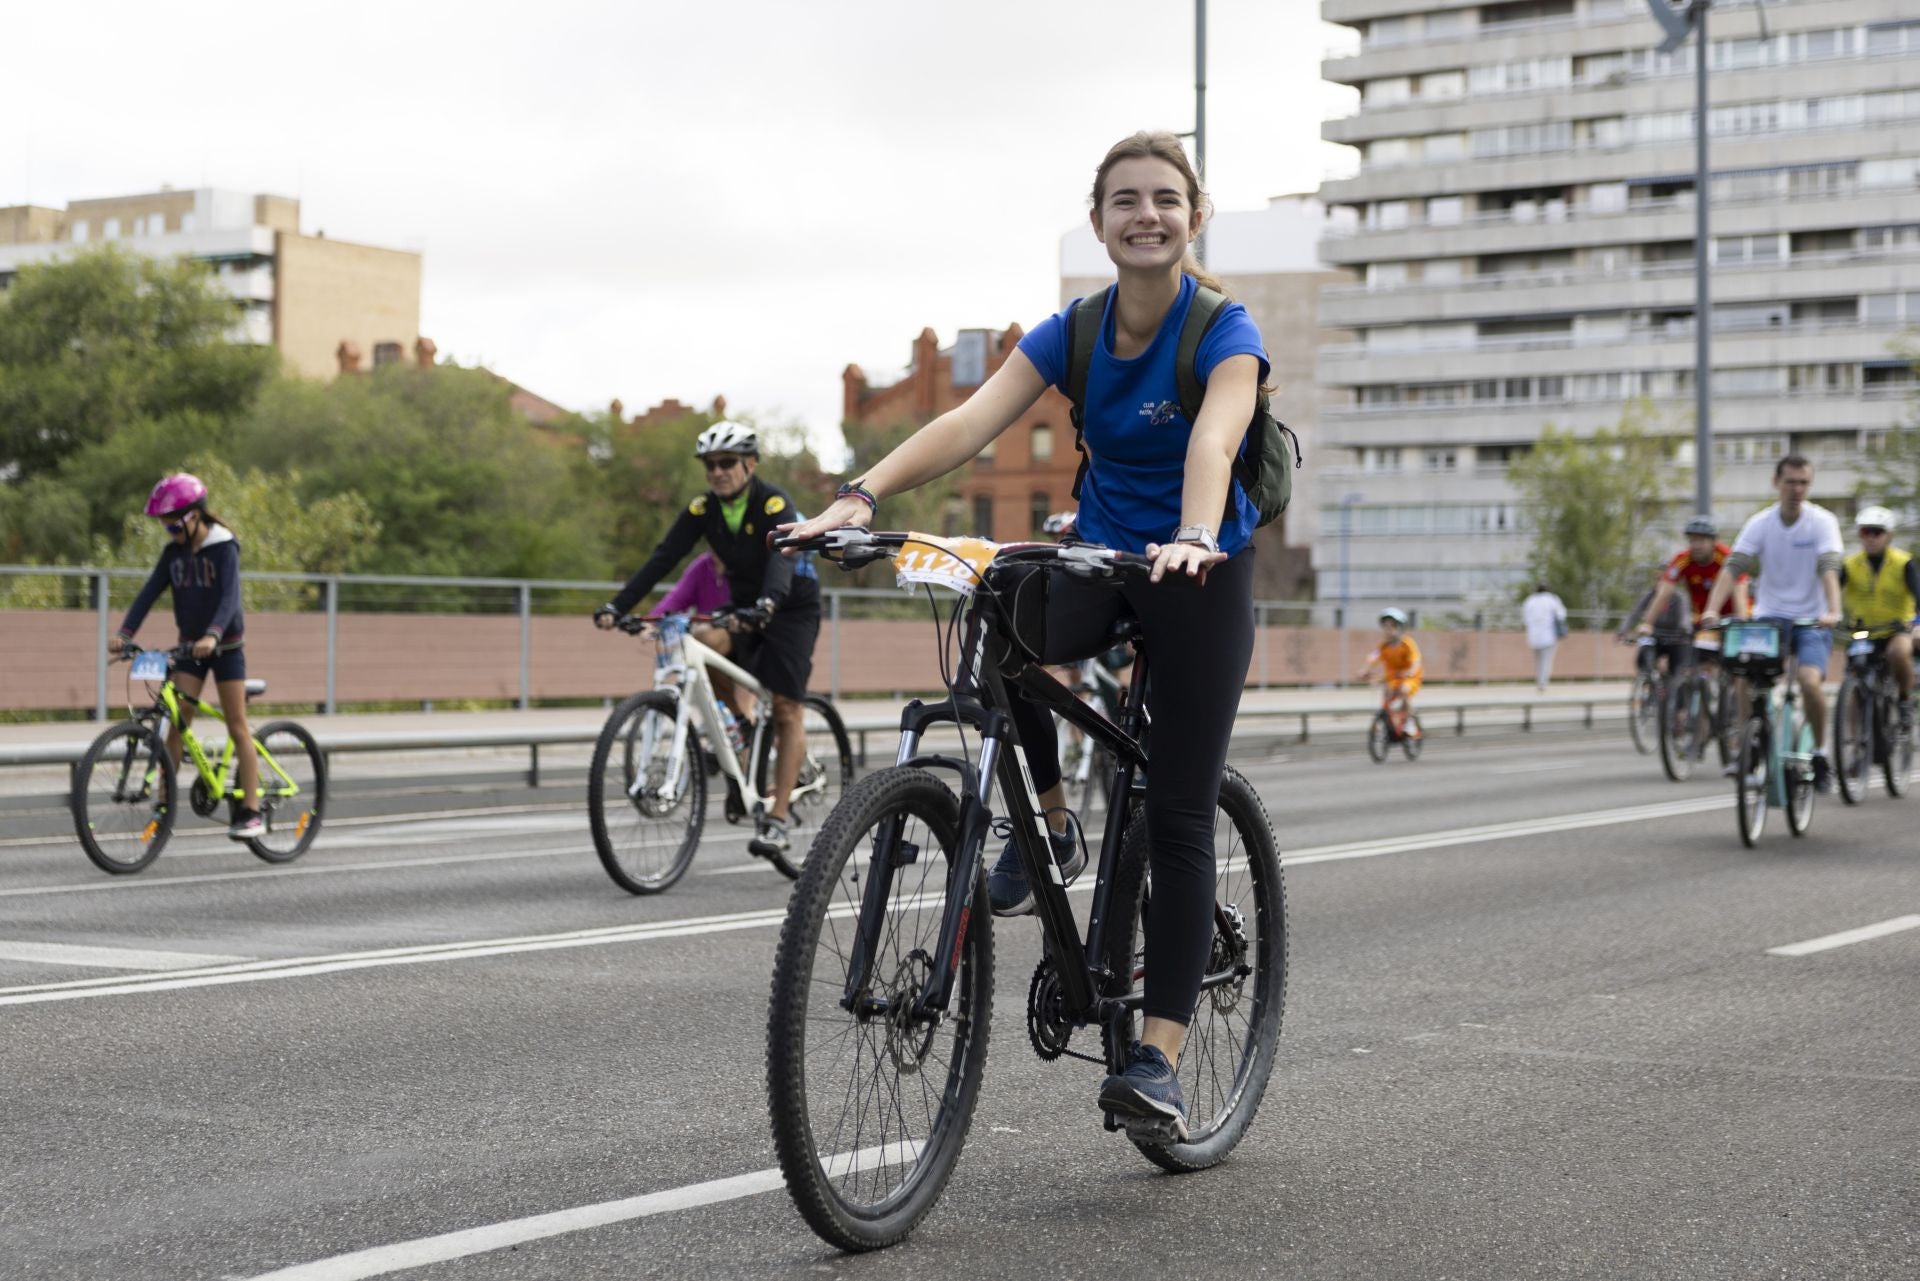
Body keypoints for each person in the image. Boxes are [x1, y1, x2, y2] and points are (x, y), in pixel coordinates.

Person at [779, 130, 1267, 1141]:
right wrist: (859, 495)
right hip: (1100, 552)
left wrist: (1189, 533)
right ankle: (1047, 819)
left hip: (1197, 569)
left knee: (1175, 815)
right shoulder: (1076, 331)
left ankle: (1159, 1062)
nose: (1146, 215)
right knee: (997, 601)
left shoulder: (1223, 329)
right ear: (1099, 224)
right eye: (1125, 200)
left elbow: (1216, 437)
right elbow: (968, 423)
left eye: (1165, 199)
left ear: (1194, 216)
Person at [594, 422, 821, 859]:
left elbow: (783, 555)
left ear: (749, 464)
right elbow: (664, 556)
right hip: (744, 606)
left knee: (788, 706)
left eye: (727, 463)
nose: (717, 472)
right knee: (701, 640)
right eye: (710, 465)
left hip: (789, 606)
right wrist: (618, 606)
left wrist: (769, 604)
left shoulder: (773, 502)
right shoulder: (703, 510)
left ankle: (775, 820)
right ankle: (742, 722)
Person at [106, 473, 262, 839]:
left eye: (172, 525)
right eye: (165, 527)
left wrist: (213, 634)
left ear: (194, 517)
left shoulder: (224, 547)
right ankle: (165, 802)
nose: (169, 532)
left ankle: (252, 811)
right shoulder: (173, 554)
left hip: (225, 647)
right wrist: (125, 633)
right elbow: (149, 593)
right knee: (175, 719)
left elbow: (229, 600)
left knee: (237, 725)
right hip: (191, 645)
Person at [1700, 454, 1844, 791]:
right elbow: (1734, 566)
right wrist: (1710, 609)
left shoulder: (1822, 522)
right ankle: (1751, 740)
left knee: (1809, 682)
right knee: (1741, 676)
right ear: (1776, 483)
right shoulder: (1760, 523)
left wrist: (1833, 610)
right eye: (1791, 482)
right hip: (1770, 618)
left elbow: (1828, 568)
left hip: (1812, 620)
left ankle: (1820, 754)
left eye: (1804, 483)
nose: (1797, 489)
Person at [1631, 516, 1751, 675]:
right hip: (1703, 619)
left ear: (1713, 541)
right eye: (1693, 540)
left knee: (1737, 668)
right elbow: (1663, 593)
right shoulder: (1683, 560)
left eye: (1702, 540)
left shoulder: (1726, 557)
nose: (1696, 545)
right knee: (1692, 665)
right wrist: (1648, 623)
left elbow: (1739, 593)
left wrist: (1741, 621)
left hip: (1732, 616)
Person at [1839, 505, 1916, 735]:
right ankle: (1853, 744)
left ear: (1889, 535)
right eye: (1865, 532)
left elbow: (1918, 595)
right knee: (1852, 680)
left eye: (1877, 532)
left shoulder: (1903, 562)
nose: (1871, 537)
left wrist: (1918, 624)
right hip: (1863, 631)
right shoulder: (1850, 564)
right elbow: (1832, 593)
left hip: (1895, 628)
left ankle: (1904, 699)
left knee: (1899, 653)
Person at [1362, 608, 1423, 737]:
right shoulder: (1384, 646)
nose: (1388, 630)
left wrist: (1410, 672)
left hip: (1409, 678)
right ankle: (1388, 722)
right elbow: (1372, 658)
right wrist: (1365, 671)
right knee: (1387, 693)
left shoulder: (1408, 644)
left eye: (1393, 626)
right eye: (1385, 627)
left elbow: (1416, 661)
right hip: (1392, 679)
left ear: (1400, 628)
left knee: (1403, 690)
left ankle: (1410, 722)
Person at [1521, 583, 1568, 691]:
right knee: (1546, 660)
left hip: (1533, 636)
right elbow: (1561, 614)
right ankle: (1543, 682)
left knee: (1537, 660)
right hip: (1548, 635)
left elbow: (1524, 618)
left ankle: (1539, 681)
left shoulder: (1530, 600)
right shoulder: (1552, 599)